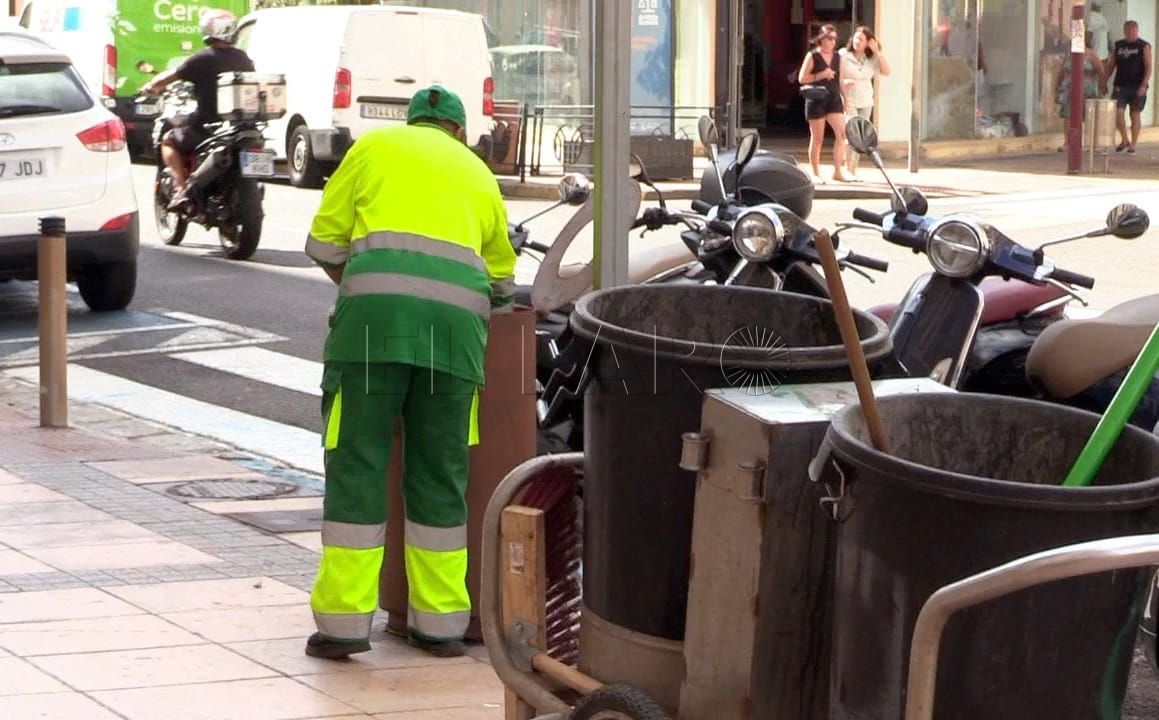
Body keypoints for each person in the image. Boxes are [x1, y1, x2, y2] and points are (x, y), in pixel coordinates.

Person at [302, 84, 517, 660]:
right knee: (441, 474)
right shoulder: (478, 174)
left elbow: (323, 244)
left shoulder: (373, 149)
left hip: (370, 330)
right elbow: (502, 283)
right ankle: (441, 626)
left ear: (413, 120)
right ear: (457, 131)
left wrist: (370, 283)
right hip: (454, 341)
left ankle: (344, 627)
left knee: (357, 464)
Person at [141, 9, 254, 209]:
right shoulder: (243, 58)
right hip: (240, 125)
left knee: (168, 142)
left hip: (207, 125)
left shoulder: (202, 58)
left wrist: (151, 86)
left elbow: (169, 76)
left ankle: (181, 190)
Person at [797, 24, 849, 184]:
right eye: (828, 38)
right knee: (817, 137)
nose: (832, 42)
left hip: (833, 98)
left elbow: (840, 79)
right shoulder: (812, 56)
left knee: (842, 134)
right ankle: (815, 172)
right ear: (821, 39)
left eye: (834, 38)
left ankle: (838, 171)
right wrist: (821, 75)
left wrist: (845, 98)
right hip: (816, 98)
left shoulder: (838, 57)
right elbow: (801, 78)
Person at [838, 26, 890, 180]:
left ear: (868, 42)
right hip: (849, 99)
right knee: (851, 133)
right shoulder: (843, 55)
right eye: (856, 38)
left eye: (861, 39)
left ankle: (853, 169)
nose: (857, 42)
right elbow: (838, 76)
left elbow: (887, 71)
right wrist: (843, 88)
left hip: (866, 100)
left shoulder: (871, 58)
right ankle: (848, 168)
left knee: (861, 137)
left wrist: (877, 52)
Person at [1104, 20, 1153, 154]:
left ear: (1137, 31)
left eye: (1134, 30)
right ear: (1124, 31)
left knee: (1134, 114)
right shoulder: (1119, 46)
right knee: (1118, 113)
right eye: (1128, 31)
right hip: (1120, 86)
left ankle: (1133, 144)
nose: (1131, 33)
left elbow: (1149, 67)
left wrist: (1144, 85)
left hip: (1137, 86)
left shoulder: (1144, 46)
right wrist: (1103, 82)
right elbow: (1110, 66)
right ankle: (1124, 139)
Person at [1056, 38, 1107, 153]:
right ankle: (1068, 142)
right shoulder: (1069, 55)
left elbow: (1100, 71)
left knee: (1089, 117)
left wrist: (1102, 86)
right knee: (1068, 116)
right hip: (1069, 90)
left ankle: (1092, 143)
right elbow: (1062, 71)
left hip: (1087, 90)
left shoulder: (1091, 55)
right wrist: (1058, 86)